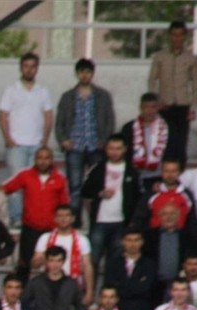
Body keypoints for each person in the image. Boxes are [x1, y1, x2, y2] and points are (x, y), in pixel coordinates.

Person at [55, 59, 114, 220]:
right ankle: (75, 219)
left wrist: (105, 140)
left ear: (92, 73)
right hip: (75, 146)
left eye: (87, 72)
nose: (85, 75)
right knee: (74, 185)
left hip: (96, 145)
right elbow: (59, 122)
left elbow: (110, 120)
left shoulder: (102, 96)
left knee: (97, 184)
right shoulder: (68, 96)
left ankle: (97, 217)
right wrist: (63, 140)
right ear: (77, 73)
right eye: (81, 72)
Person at [0, 53, 54, 225]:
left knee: (34, 185)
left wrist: (44, 139)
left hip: (36, 145)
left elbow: (48, 115)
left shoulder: (42, 91)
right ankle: (16, 218)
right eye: (26, 66)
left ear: (37, 68)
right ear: (21, 67)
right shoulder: (11, 89)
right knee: (16, 183)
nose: (29, 69)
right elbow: (3, 115)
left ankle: (30, 217)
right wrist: (8, 138)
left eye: (33, 66)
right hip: (16, 145)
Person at [2, 146, 70, 276]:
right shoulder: (25, 175)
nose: (43, 161)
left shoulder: (59, 179)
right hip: (29, 229)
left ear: (51, 160)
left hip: (50, 231)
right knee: (23, 266)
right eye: (39, 158)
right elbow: (5, 189)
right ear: (35, 159)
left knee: (51, 267)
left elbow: (64, 206)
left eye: (46, 158)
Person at [81, 135, 139, 267]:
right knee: (93, 260)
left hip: (121, 222)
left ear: (124, 149)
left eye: (118, 148)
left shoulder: (132, 171)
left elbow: (137, 197)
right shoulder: (97, 168)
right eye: (111, 148)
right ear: (106, 149)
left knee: (115, 262)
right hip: (99, 222)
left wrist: (132, 221)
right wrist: (99, 193)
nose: (114, 152)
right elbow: (85, 191)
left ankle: (111, 288)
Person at [148, 21, 197, 163]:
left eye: (180, 35)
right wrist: (156, 102)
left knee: (181, 143)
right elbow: (152, 80)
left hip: (183, 106)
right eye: (174, 35)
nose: (177, 38)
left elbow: (195, 84)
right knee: (166, 142)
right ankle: (166, 174)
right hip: (165, 105)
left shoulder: (191, 58)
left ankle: (179, 176)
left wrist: (193, 107)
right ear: (169, 36)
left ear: (185, 37)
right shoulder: (160, 57)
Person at [32, 204, 95, 299]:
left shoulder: (82, 240)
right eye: (60, 216)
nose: (63, 219)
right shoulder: (45, 238)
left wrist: (89, 292)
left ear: (73, 218)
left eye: (66, 215)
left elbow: (87, 266)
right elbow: (35, 265)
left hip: (73, 286)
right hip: (48, 286)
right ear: (55, 219)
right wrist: (41, 257)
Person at [122, 93, 168, 191]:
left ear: (158, 108)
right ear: (140, 108)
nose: (150, 111)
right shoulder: (129, 128)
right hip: (136, 176)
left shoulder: (166, 127)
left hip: (159, 176)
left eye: (153, 107)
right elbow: (124, 153)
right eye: (146, 107)